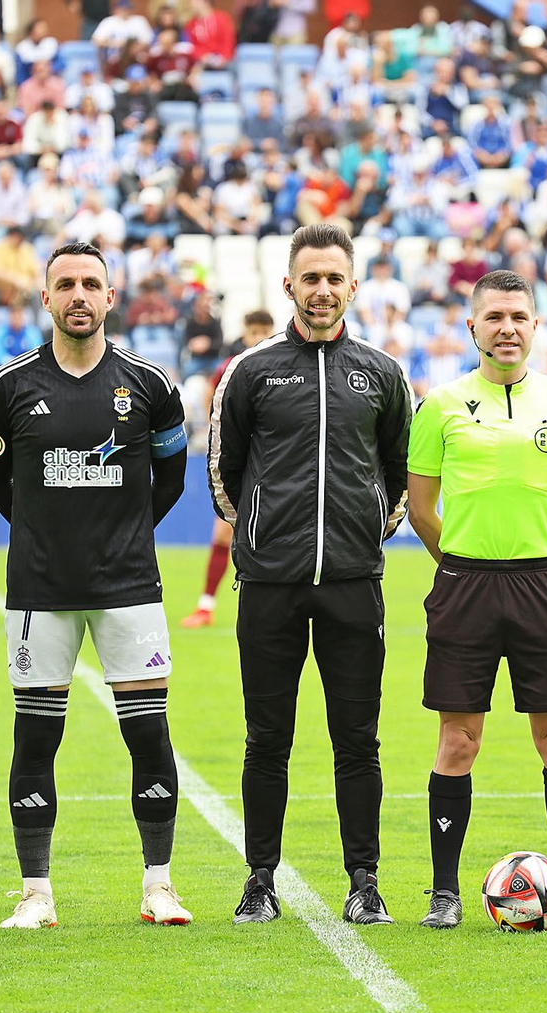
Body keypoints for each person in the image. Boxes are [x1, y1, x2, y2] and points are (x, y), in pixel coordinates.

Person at [0, 242, 192, 929]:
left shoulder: (150, 384)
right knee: (36, 739)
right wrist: (43, 531)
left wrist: (126, 534)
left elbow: (172, 477)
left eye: (90, 284)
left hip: (130, 589)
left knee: (149, 734)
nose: (78, 295)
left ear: (109, 296)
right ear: (45, 298)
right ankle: (36, 893)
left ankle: (159, 885)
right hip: (39, 591)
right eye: (65, 284)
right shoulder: (7, 387)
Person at [207, 224, 411, 924]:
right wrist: (259, 539)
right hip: (271, 586)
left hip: (354, 584)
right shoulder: (251, 371)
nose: (322, 290)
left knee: (358, 741)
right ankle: (259, 880)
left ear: (353, 286)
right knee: (267, 739)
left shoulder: (382, 373)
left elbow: (401, 469)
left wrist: (367, 529)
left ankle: (365, 881)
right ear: (289, 285)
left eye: (334, 278)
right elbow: (224, 471)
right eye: (310, 278)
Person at [405, 270, 547, 929]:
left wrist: (539, 559)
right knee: (458, 740)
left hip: (543, 585)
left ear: (536, 325)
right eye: (494, 317)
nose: (507, 328)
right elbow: (421, 509)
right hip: (464, 586)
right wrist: (463, 563)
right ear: (472, 327)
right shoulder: (440, 405)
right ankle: (444, 894)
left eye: (518, 316)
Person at [181, 309, 276, 630]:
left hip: (275, 465)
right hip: (241, 463)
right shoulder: (231, 367)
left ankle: (273, 608)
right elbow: (212, 395)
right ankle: (205, 607)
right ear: (244, 334)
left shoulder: (284, 365)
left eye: (265, 332)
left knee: (273, 537)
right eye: (254, 332)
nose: (259, 338)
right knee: (224, 532)